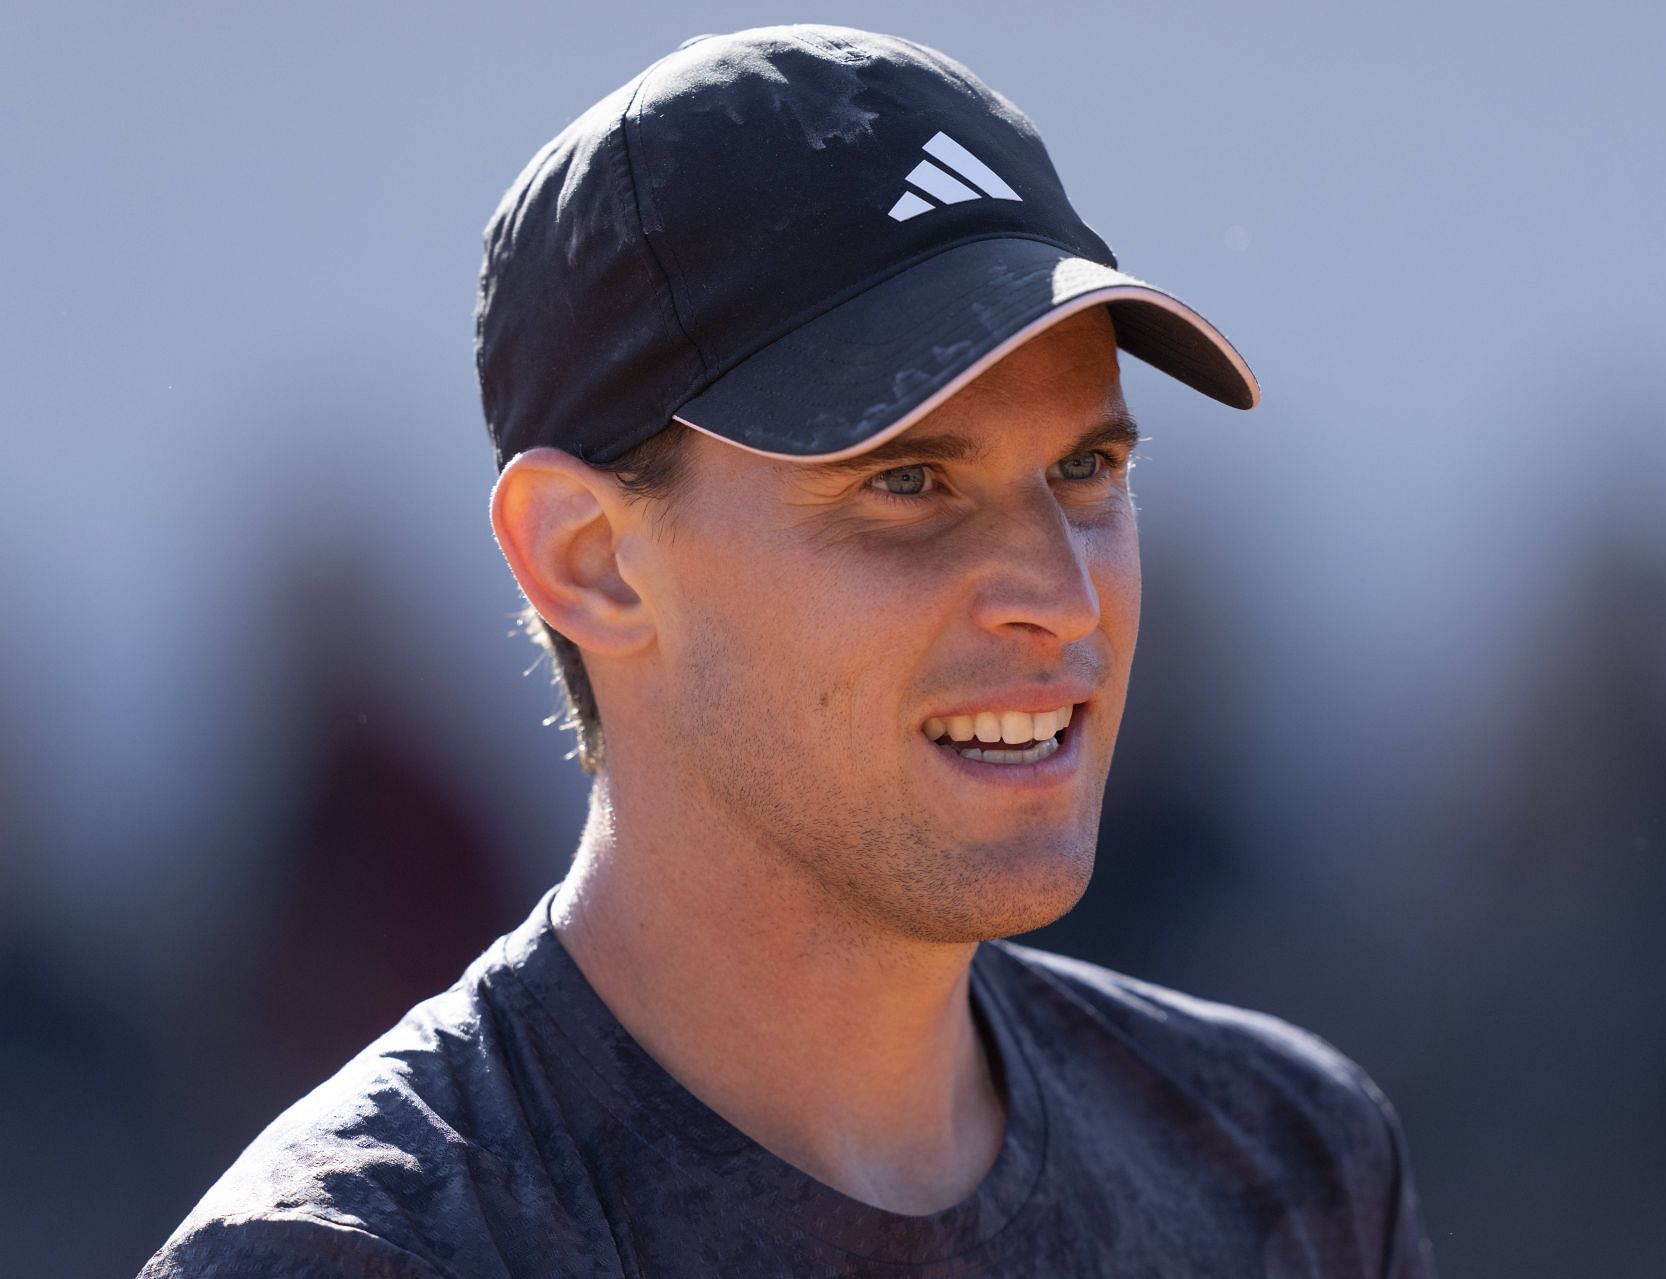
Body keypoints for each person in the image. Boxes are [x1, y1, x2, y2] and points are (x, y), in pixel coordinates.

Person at [142, 24, 1437, 1277]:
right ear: (588, 556)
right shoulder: (364, 1252)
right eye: (911, 482)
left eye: (1088, 467)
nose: (1059, 591)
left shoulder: (1279, 1166)